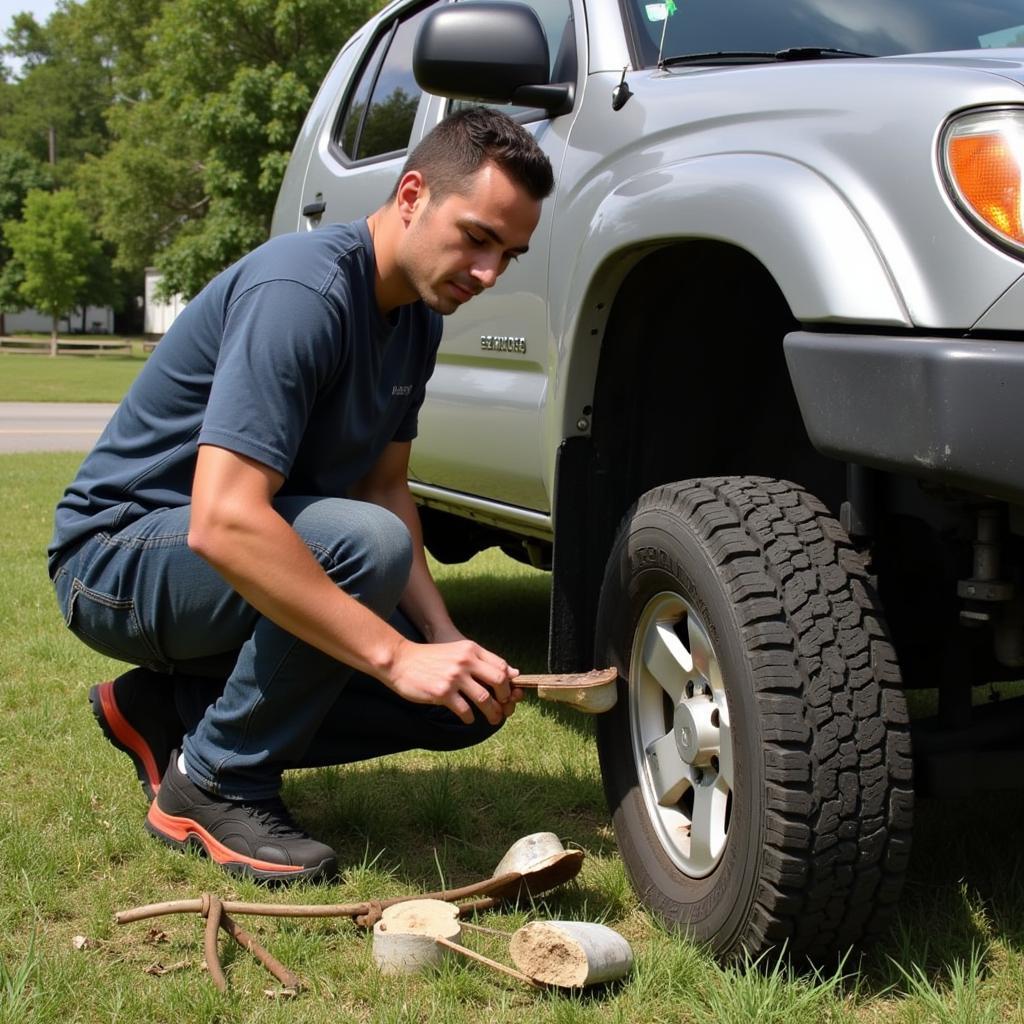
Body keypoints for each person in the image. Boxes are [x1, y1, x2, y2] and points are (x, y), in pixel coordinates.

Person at [48, 106, 555, 884]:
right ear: (413, 193)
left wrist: (442, 640)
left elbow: (384, 488)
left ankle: (168, 714)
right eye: (479, 236)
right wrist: (392, 654)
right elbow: (224, 521)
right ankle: (214, 780)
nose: (488, 273)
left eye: (509, 255)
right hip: (117, 558)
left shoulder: (416, 319)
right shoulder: (302, 290)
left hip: (226, 564)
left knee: (454, 705)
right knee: (366, 558)